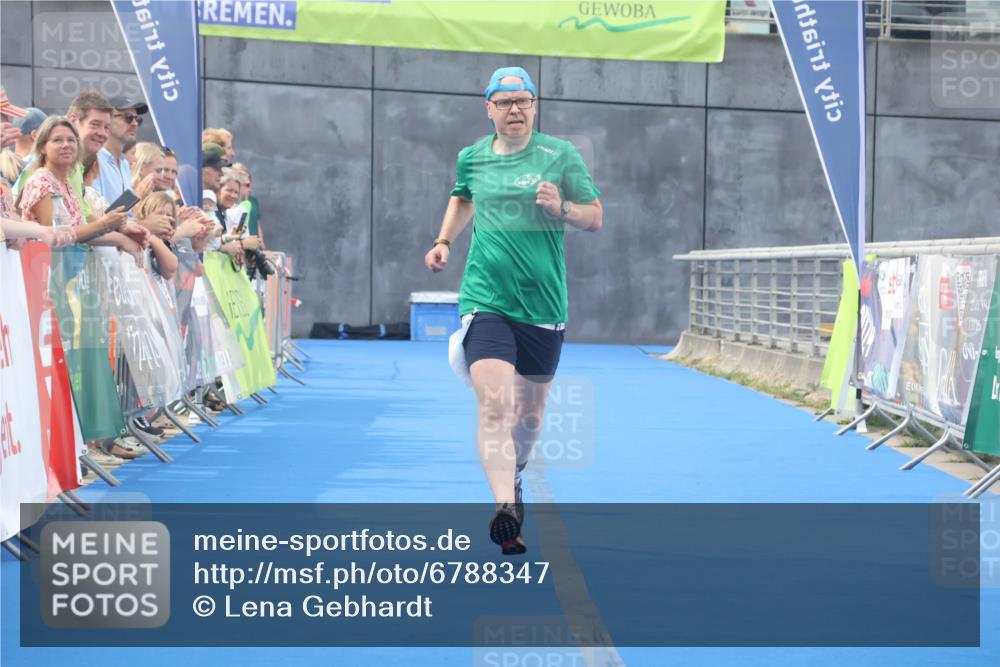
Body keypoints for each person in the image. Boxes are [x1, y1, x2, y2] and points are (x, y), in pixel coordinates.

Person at [424, 67, 603, 555]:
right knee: (495, 406)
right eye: (505, 103)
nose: (515, 110)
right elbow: (462, 196)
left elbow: (595, 217)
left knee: (529, 416)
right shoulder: (473, 157)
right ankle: (505, 505)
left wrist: (562, 208)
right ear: (489, 108)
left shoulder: (559, 155)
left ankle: (515, 477)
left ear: (534, 105)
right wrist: (443, 241)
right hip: (486, 299)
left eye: (523, 101)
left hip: (543, 304)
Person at [16, 116, 128, 244]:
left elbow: (79, 229)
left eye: (71, 140)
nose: (66, 145)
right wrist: (104, 223)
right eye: (57, 140)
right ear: (42, 147)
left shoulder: (66, 182)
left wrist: (115, 227)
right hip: (48, 262)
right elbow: (56, 236)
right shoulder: (41, 182)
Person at [95, 96, 147, 202]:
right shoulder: (93, 161)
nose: (135, 123)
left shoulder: (124, 164)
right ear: (107, 120)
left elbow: (125, 213)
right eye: (128, 118)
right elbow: (96, 215)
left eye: (137, 119)